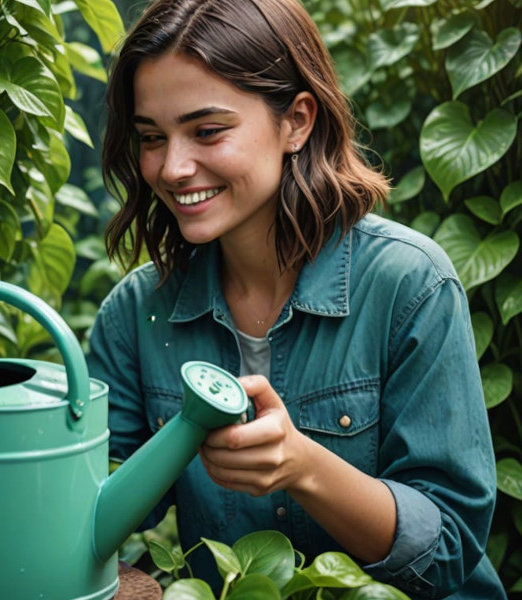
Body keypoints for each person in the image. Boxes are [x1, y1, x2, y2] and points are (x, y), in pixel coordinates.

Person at [84, 0, 506, 597]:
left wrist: (305, 467)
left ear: (297, 122)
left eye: (207, 131)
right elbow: (94, 520)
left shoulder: (410, 285)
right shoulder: (137, 313)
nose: (173, 167)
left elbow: (450, 549)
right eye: (152, 137)